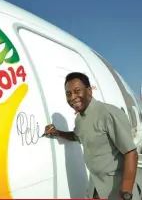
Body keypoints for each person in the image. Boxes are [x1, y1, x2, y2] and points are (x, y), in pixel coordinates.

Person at [44, 72, 140, 200]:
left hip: (117, 188)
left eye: (77, 91)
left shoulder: (108, 113)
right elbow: (77, 136)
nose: (73, 97)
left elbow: (131, 153)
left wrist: (126, 192)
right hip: (96, 186)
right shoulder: (79, 119)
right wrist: (58, 133)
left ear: (89, 91)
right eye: (68, 94)